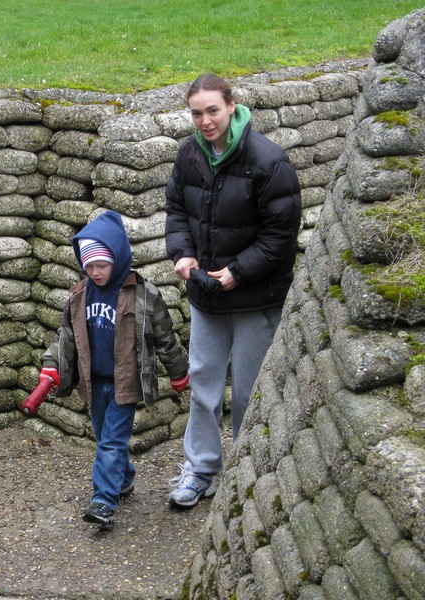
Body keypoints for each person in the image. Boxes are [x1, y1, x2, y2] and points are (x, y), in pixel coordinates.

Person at [164, 74, 302, 508]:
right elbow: (175, 210)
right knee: (203, 385)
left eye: (212, 111)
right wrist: (182, 254)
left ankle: (245, 473)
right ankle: (201, 469)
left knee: (248, 391)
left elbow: (281, 234)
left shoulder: (268, 161)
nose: (204, 121)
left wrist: (237, 272)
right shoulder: (189, 155)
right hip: (206, 296)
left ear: (232, 106)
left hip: (254, 299)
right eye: (196, 113)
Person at [36, 210, 190, 525]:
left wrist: (178, 372)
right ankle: (124, 479)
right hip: (93, 382)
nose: (95, 272)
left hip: (126, 382)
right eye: (89, 265)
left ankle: (104, 501)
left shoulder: (143, 294)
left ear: (117, 258)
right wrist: (52, 364)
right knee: (103, 436)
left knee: (110, 442)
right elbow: (66, 335)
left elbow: (164, 337)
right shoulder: (80, 294)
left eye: (101, 265)